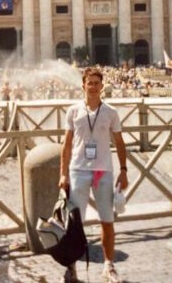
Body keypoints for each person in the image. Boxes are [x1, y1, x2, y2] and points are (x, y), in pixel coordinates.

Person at [59, 67, 128, 283]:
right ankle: (71, 268)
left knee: (107, 220)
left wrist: (124, 170)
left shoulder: (111, 112)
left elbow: (119, 142)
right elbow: (66, 145)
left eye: (97, 83)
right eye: (90, 83)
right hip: (78, 170)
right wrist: (63, 174)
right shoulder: (73, 111)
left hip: (103, 171)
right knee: (75, 223)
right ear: (83, 85)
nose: (93, 86)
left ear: (102, 86)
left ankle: (109, 266)